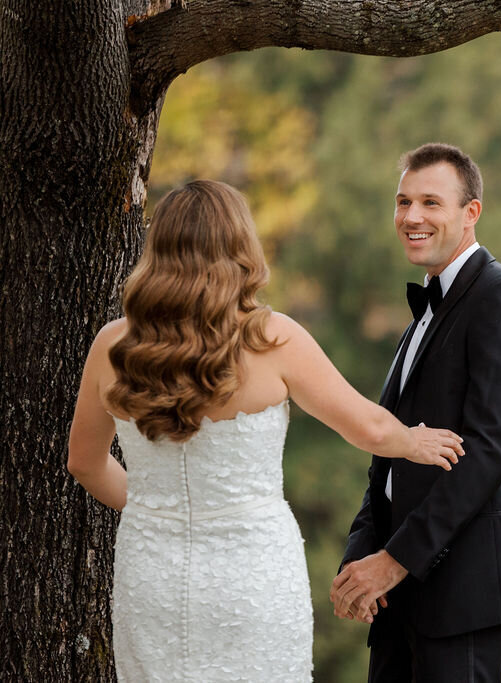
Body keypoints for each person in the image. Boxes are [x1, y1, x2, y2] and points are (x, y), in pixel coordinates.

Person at [66, 180, 464, 681]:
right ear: (240, 246)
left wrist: (159, 509)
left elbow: (84, 462)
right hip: (251, 573)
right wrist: (413, 441)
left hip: (153, 573)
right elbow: (366, 426)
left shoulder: (112, 345)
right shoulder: (272, 337)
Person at [330, 143, 501, 682]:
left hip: (464, 591)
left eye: (431, 202)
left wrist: (395, 560)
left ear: (471, 212)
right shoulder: (424, 314)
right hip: (397, 592)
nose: (412, 216)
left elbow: (491, 449)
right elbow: (390, 456)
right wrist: (360, 556)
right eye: (403, 202)